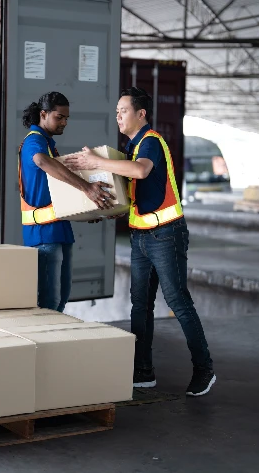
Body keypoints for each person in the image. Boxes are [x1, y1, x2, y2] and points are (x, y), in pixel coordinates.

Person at [64, 87, 215, 396]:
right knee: (140, 305)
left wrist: (97, 162)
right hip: (141, 237)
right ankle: (143, 372)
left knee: (177, 301)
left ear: (141, 114)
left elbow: (141, 172)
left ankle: (204, 370)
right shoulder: (131, 149)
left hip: (166, 234)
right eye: (117, 111)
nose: (118, 115)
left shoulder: (151, 143)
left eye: (123, 110)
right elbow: (133, 193)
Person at [18, 91, 114, 313]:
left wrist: (88, 211)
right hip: (43, 235)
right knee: (49, 303)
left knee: (60, 299)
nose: (64, 122)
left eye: (67, 118)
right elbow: (41, 162)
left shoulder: (48, 144)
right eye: (59, 117)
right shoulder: (35, 141)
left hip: (59, 230)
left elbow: (57, 192)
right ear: (43, 114)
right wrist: (88, 189)